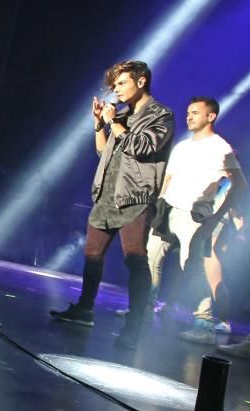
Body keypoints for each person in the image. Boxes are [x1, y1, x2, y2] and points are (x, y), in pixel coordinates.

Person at [50, 60, 174, 348]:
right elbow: (103, 151)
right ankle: (85, 308)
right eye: (114, 85)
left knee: (135, 258)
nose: (115, 90)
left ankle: (134, 326)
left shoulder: (160, 115)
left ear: (140, 81)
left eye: (121, 83)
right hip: (108, 193)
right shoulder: (123, 114)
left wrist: (114, 122)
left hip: (135, 196)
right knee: (92, 252)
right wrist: (99, 125)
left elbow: (143, 148)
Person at [142, 97, 246, 344]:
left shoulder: (221, 148)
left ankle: (204, 323)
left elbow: (239, 185)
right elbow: (168, 179)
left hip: (194, 216)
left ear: (211, 116)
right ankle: (143, 309)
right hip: (168, 210)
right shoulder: (182, 146)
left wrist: (216, 216)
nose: (189, 116)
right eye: (188, 112)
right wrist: (157, 205)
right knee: (150, 259)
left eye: (195, 113)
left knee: (193, 267)